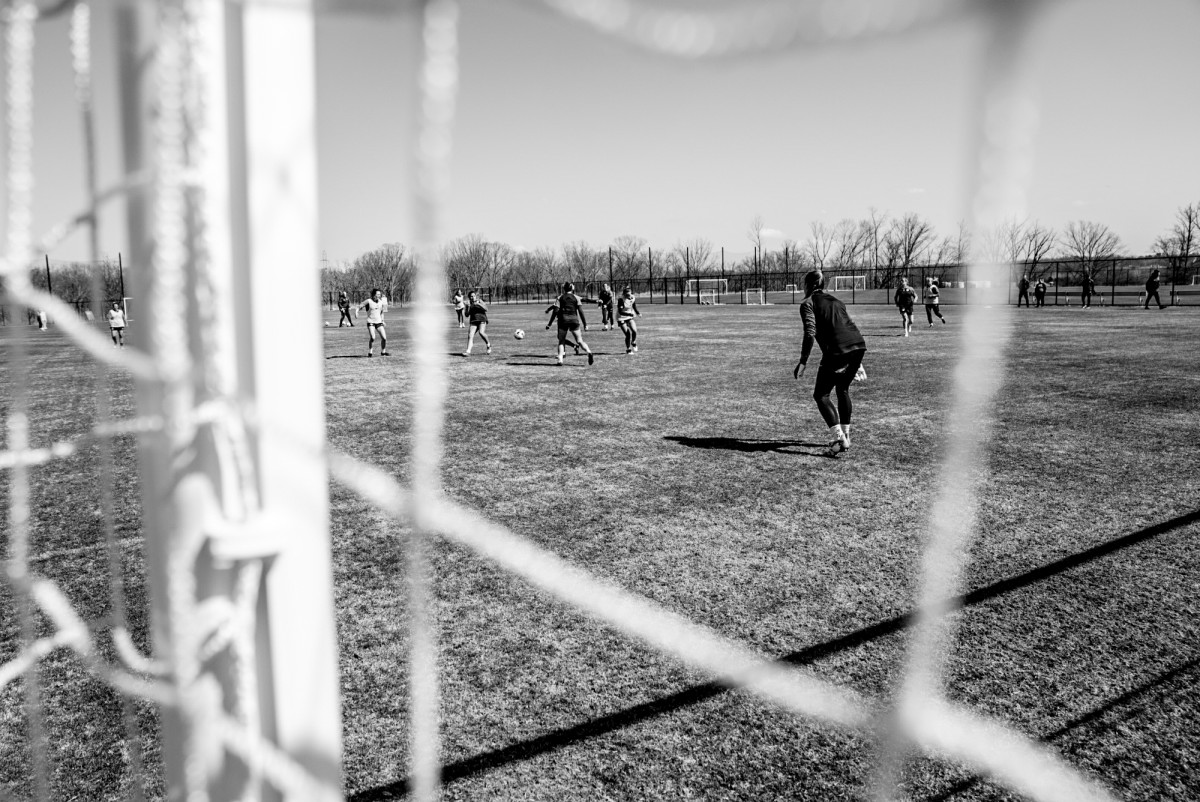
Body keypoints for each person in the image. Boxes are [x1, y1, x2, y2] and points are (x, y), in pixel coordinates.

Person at [793, 270, 867, 457]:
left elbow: (810, 333)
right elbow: (848, 326)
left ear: (808, 285)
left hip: (839, 351)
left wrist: (803, 362)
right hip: (857, 346)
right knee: (842, 389)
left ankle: (839, 439)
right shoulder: (836, 301)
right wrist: (858, 362)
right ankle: (846, 435)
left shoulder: (808, 304)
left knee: (821, 395)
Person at [546, 282, 593, 366]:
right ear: (572, 288)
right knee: (579, 341)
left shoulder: (560, 297)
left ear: (564, 289)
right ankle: (588, 352)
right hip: (574, 320)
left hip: (563, 321)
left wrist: (549, 323)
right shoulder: (576, 297)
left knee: (561, 340)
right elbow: (581, 312)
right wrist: (585, 324)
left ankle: (560, 359)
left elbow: (555, 311)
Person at [358, 288, 389, 356]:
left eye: (379, 294)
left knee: (384, 338)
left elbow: (382, 312)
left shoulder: (381, 302)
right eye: (378, 294)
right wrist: (356, 312)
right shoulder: (368, 301)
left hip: (379, 322)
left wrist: (383, 321)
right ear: (374, 295)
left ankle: (383, 352)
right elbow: (360, 305)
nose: (379, 295)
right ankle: (370, 352)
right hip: (371, 322)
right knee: (373, 337)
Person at [462, 290, 491, 355]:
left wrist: (478, 304)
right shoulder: (468, 303)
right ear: (469, 297)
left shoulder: (479, 301)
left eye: (473, 296)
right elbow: (467, 315)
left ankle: (488, 344)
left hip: (482, 319)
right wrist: (468, 307)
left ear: (476, 296)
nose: (472, 297)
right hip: (473, 320)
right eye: (471, 296)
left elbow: (486, 309)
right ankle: (468, 351)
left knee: (481, 332)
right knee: (470, 335)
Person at [615, 287, 641, 353]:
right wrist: (629, 314)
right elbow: (620, 312)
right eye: (627, 295)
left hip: (629, 317)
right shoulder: (621, 300)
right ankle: (628, 349)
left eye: (629, 294)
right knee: (628, 334)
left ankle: (633, 342)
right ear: (624, 294)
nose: (628, 296)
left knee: (634, 330)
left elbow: (634, 305)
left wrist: (638, 313)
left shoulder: (632, 297)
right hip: (621, 317)